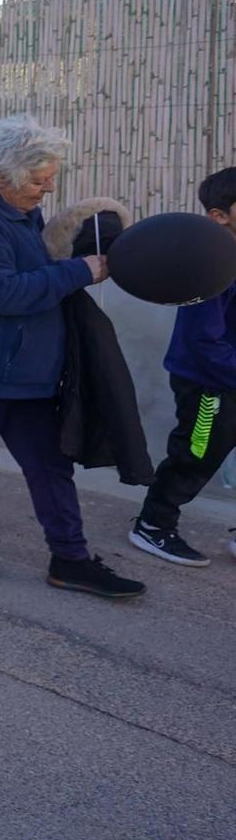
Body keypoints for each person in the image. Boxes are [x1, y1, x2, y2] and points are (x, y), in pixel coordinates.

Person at [0, 114, 143, 597]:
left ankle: (70, 558)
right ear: (3, 176)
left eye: (50, 179)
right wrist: (78, 272)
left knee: (49, 463)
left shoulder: (20, 213)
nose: (47, 189)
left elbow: (32, 269)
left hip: (28, 369)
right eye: (40, 180)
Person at [129, 167, 236, 568]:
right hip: (208, 384)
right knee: (197, 453)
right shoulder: (211, 265)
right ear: (219, 216)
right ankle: (153, 525)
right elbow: (204, 342)